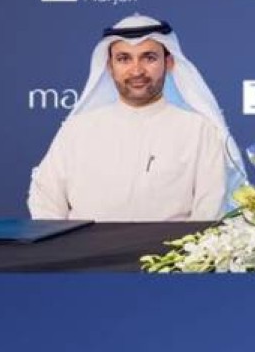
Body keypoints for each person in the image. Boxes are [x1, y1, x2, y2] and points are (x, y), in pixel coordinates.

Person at [28, 14, 241, 221]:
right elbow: (46, 198)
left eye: (149, 58)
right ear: (110, 67)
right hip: (83, 246)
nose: (137, 70)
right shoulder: (77, 130)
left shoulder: (199, 130)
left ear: (169, 63)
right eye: (124, 59)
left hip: (173, 246)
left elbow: (209, 209)